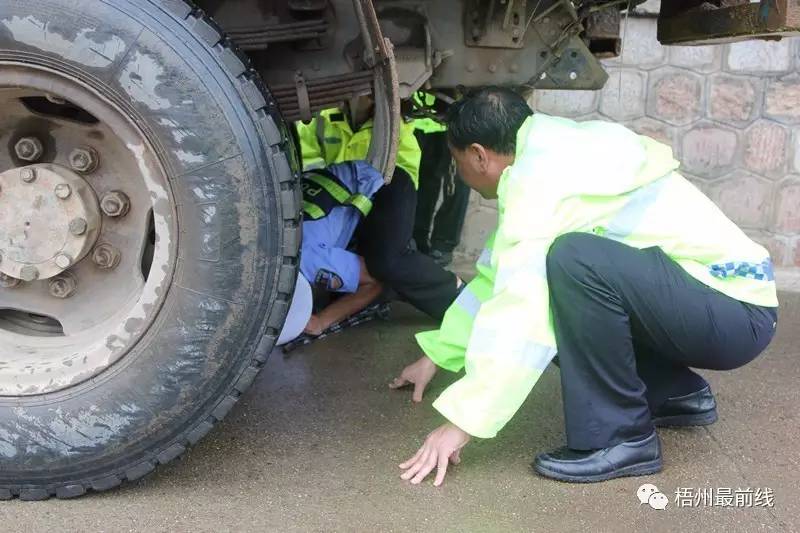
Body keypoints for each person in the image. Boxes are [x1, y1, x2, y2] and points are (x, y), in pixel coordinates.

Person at [390, 87, 778, 486]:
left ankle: (621, 438)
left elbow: (522, 308)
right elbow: (497, 278)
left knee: (571, 263)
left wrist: (462, 422)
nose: (462, 174)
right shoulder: (553, 150)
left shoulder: (538, 183)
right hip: (730, 306)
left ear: (478, 155)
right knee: (575, 282)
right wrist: (437, 355)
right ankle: (671, 393)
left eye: (458, 163)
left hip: (733, 311)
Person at [296, 100, 461, 320]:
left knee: (387, 262)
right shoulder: (321, 119)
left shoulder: (391, 121)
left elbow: (370, 282)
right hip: (348, 196)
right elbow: (308, 166)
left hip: (390, 181)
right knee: (348, 281)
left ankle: (460, 300)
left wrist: (322, 321)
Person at [412, 92, 471, 267]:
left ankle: (443, 244)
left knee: (458, 185)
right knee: (422, 184)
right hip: (419, 120)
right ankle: (417, 239)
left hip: (455, 122)